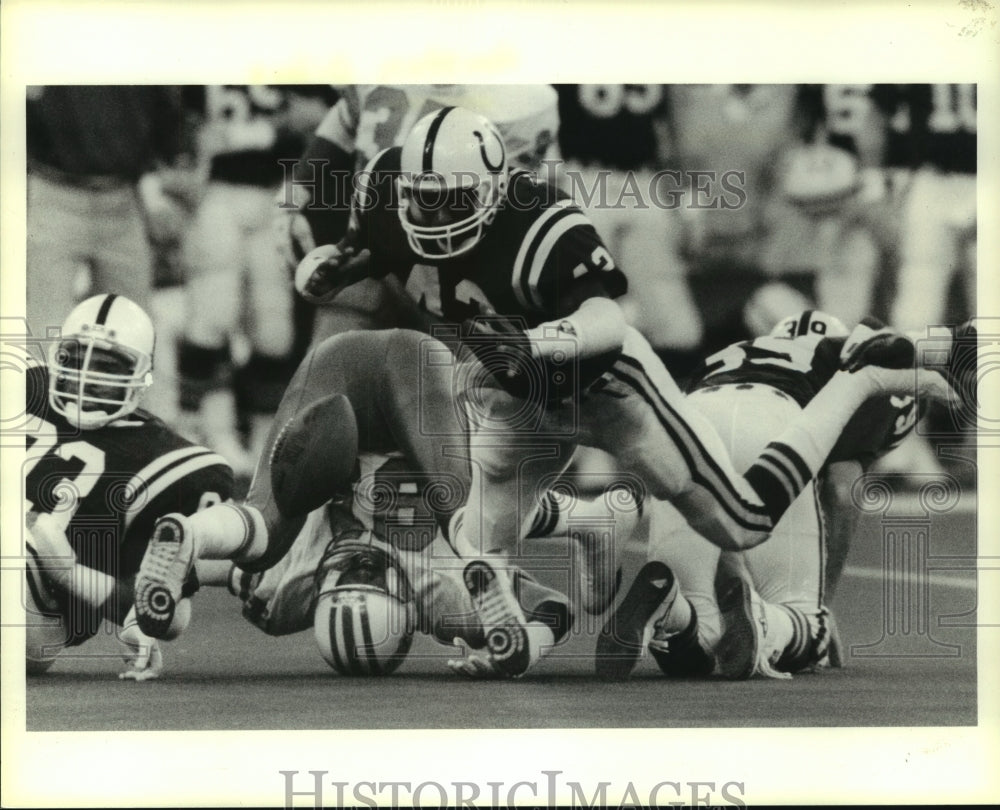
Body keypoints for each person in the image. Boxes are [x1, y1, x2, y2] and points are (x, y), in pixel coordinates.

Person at [284, 106, 961, 678]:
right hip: (526, 397)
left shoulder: (540, 224)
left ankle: (855, 379)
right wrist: (334, 262)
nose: (432, 214)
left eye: (451, 200)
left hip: (609, 386)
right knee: (471, 536)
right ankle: (558, 577)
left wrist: (538, 342)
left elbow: (608, 320)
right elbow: (370, 243)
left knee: (743, 522)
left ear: (492, 190)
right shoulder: (386, 195)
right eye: (420, 199)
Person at [135, 328, 636, 678]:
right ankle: (588, 518)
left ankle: (195, 525)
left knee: (265, 536)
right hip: (426, 402)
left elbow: (200, 572)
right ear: (407, 608)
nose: (362, 564)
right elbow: (555, 607)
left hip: (339, 386)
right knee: (470, 516)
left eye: (346, 579)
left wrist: (147, 615)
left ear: (320, 592)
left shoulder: (284, 594)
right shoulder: (443, 601)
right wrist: (529, 648)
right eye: (372, 580)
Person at [594, 310, 956, 681]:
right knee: (808, 630)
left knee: (698, 636)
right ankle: (772, 623)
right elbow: (842, 489)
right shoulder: (853, 357)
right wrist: (821, 604)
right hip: (775, 417)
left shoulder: (736, 351)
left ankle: (671, 606)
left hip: (690, 421)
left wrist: (733, 567)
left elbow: (715, 504)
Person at [23, 294, 233, 679]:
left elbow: (164, 614)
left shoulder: (173, 461)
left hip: (38, 605)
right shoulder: (23, 386)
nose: (86, 378)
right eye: (75, 360)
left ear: (140, 379)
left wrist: (67, 571)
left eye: (105, 367)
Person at [274, 84, 561, 344]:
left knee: (448, 390)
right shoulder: (380, 60)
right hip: (367, 251)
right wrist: (293, 196)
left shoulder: (521, 100)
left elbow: (514, 203)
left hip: (450, 276)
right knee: (329, 372)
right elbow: (344, 121)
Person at [175, 85, 335, 474]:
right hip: (218, 193)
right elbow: (179, 120)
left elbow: (325, 110)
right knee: (212, 319)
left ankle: (266, 438)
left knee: (273, 331)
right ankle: (204, 431)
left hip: (278, 194)